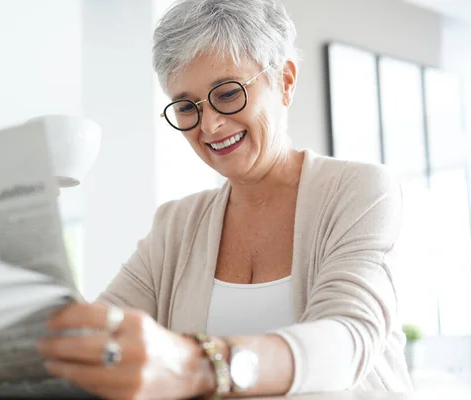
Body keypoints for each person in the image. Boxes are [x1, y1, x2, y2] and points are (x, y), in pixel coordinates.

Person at [36, 0, 413, 398]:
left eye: (228, 94)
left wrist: (196, 365)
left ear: (284, 81)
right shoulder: (176, 226)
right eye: (186, 106)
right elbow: (95, 338)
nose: (210, 125)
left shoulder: (360, 190)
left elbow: (346, 341)